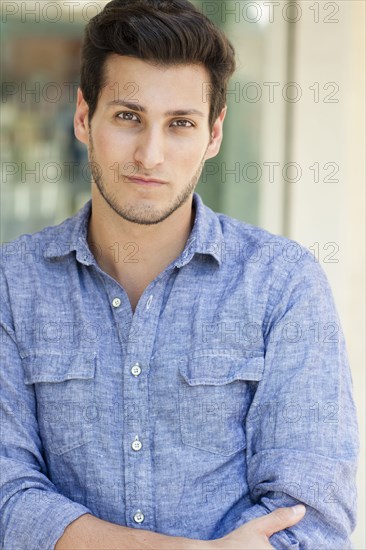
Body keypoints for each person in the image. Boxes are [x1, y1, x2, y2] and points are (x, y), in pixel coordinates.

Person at [0, 1, 359, 549]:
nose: (151, 153)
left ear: (214, 135)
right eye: (128, 116)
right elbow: (6, 496)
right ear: (82, 117)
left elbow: (313, 519)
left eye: (181, 124)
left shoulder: (283, 284)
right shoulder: (12, 283)